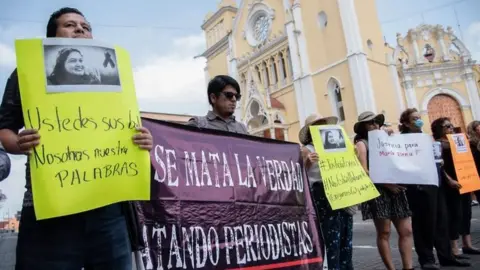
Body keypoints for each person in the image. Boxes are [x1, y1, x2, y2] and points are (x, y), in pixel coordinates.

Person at [0, 7, 153, 269]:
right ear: (52, 36)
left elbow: (125, 125)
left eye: (86, 25)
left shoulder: (113, 78)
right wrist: (18, 143)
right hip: (50, 208)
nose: (81, 28)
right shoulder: (27, 72)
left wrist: (143, 141)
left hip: (109, 209)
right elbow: (5, 128)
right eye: (70, 25)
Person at [401, 109, 469, 269]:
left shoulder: (425, 137)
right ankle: (427, 260)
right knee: (424, 223)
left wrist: (447, 178)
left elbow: (437, 161)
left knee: (441, 220)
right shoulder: (403, 140)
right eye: (414, 118)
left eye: (419, 117)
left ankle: (446, 256)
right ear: (405, 123)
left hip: (436, 182)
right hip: (419, 186)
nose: (419, 120)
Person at [353, 111, 413, 270]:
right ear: (363, 127)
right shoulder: (362, 144)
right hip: (378, 191)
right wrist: (387, 184)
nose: (374, 125)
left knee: (406, 230)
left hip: (397, 189)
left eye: (375, 122)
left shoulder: (387, 139)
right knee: (384, 232)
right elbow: (364, 170)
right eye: (370, 123)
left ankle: (408, 267)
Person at [299, 114, 354, 270]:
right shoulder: (306, 150)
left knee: (345, 234)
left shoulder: (336, 145)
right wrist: (308, 162)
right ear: (310, 131)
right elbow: (299, 175)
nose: (321, 126)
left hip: (341, 191)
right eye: (317, 124)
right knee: (331, 236)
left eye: (323, 123)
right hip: (322, 196)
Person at [431, 118, 475, 264]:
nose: (451, 128)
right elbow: (439, 165)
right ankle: (454, 249)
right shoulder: (438, 144)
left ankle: (467, 244)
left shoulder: (457, 141)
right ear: (438, 129)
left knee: (466, 212)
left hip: (464, 179)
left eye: (451, 125)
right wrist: (449, 179)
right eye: (446, 126)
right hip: (450, 184)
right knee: (454, 214)